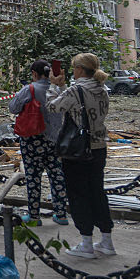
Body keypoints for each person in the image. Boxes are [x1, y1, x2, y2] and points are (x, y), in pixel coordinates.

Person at [48, 53, 113, 259]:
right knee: (97, 192)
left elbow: (53, 107)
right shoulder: (102, 88)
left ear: (79, 69)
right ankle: (106, 239)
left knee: (78, 194)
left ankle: (86, 241)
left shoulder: (76, 90)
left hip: (78, 149)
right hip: (99, 146)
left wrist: (54, 86)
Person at [8, 59, 68, 226]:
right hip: (54, 139)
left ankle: (34, 216)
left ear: (34, 73)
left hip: (32, 140)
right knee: (56, 176)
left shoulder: (29, 89)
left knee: (33, 177)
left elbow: (13, 108)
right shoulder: (57, 90)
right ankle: (61, 214)